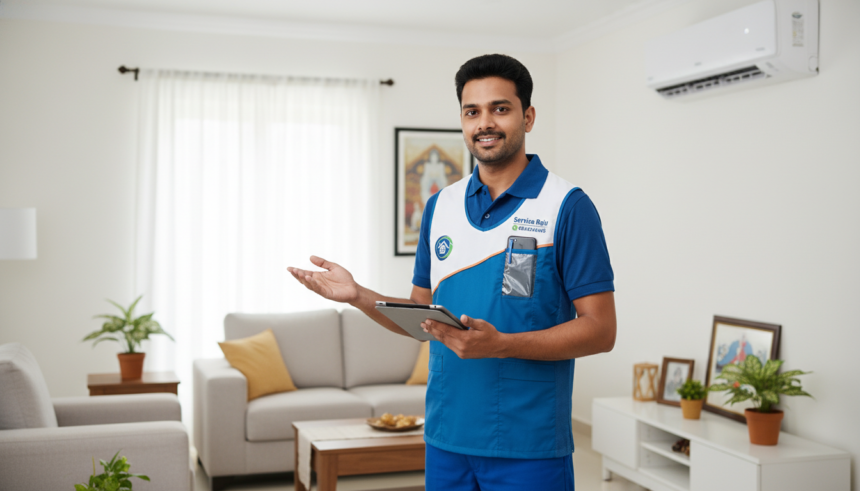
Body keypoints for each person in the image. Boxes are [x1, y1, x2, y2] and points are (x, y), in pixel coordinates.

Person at [288, 53, 616, 491]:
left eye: (501, 108)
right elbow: (420, 317)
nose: (485, 122)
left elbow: (601, 330)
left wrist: (500, 345)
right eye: (472, 111)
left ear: (528, 116)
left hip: (528, 445)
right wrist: (358, 295)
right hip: (446, 438)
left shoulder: (567, 207)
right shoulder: (440, 207)